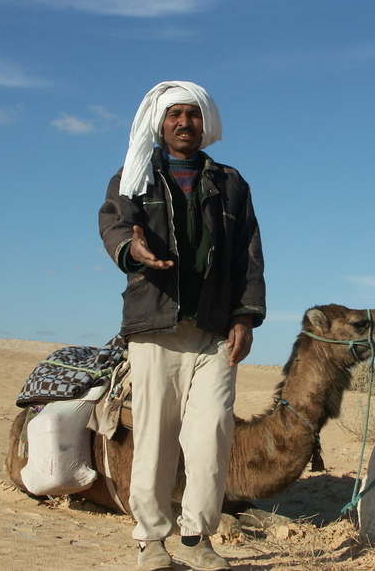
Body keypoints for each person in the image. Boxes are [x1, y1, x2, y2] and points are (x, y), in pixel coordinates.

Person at [98, 81, 266, 571]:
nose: (184, 123)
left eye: (193, 115)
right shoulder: (132, 176)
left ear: (204, 123)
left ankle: (197, 537)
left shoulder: (231, 183)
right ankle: (151, 540)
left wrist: (245, 315)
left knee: (212, 432)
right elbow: (114, 224)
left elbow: (247, 256)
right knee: (155, 434)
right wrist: (134, 252)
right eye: (175, 115)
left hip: (215, 331)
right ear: (160, 122)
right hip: (155, 325)